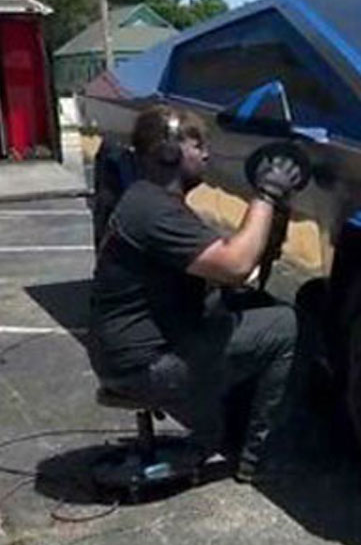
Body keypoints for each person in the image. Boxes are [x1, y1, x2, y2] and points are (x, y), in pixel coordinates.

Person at [89, 105, 307, 483]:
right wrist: (267, 194)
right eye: (197, 145)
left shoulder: (150, 200)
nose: (206, 154)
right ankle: (260, 458)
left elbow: (237, 275)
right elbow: (236, 265)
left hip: (130, 357)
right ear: (168, 153)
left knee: (243, 307)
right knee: (287, 326)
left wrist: (275, 216)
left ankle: (231, 428)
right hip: (145, 368)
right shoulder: (154, 211)